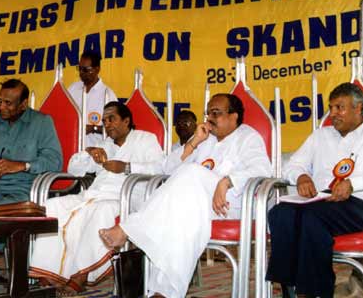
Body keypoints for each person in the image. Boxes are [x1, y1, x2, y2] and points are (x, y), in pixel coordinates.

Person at [100, 93, 273, 298]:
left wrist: (226, 181)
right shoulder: (205, 139)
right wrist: (194, 142)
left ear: (234, 116)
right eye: (208, 113)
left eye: (216, 113)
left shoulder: (247, 137)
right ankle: (162, 293)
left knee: (191, 172)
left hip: (231, 206)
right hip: (198, 207)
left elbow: (262, 170)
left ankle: (128, 228)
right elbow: (167, 168)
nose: (209, 118)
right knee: (182, 220)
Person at [30, 101, 164, 295]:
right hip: (93, 195)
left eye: (112, 119)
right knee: (53, 206)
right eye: (104, 121)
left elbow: (160, 168)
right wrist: (89, 153)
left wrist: (127, 167)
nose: (107, 125)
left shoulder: (145, 139)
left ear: (126, 121)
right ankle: (49, 273)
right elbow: (73, 169)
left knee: (100, 211)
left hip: (125, 199)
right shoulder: (104, 145)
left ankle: (81, 276)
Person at [265, 83, 363, 298]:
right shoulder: (320, 136)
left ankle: (316, 292)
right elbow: (292, 166)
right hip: (321, 200)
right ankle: (289, 288)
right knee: (279, 212)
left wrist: (353, 183)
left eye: (339, 107)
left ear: (359, 109)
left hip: (362, 203)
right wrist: (301, 176)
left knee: (311, 219)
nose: (333, 114)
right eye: (331, 108)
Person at [0, 79, 62, 280]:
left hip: (23, 190)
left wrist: (22, 165)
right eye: (0, 101)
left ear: (23, 104)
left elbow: (54, 161)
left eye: (8, 103)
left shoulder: (42, 123)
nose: (2, 107)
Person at [68, 50, 117, 147]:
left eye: (86, 69)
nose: (81, 73)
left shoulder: (108, 95)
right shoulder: (73, 89)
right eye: (80, 68)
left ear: (97, 69)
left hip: (96, 153)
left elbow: (116, 127)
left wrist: (93, 128)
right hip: (72, 149)